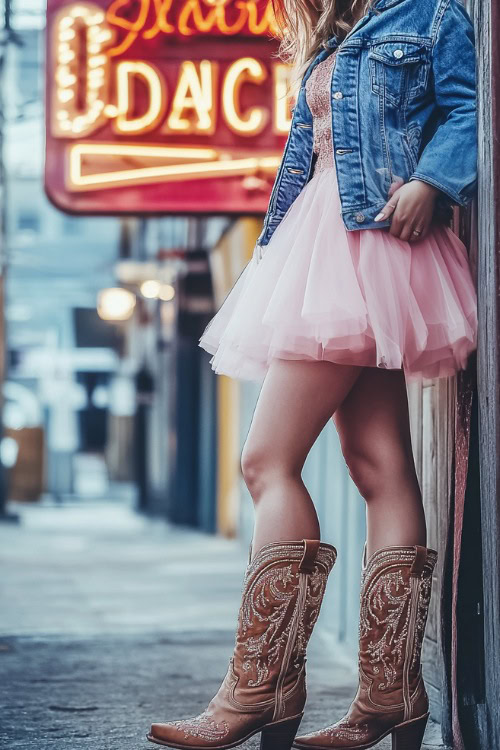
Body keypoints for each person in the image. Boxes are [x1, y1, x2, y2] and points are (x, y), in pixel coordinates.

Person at [147, 0, 477, 748]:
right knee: (378, 464)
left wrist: (435, 180)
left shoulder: (432, 16)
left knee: (266, 461)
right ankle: (388, 697)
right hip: (321, 247)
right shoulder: (337, 34)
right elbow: (304, 159)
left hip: (374, 241)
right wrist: (269, 262)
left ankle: (259, 689)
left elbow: (469, 111)